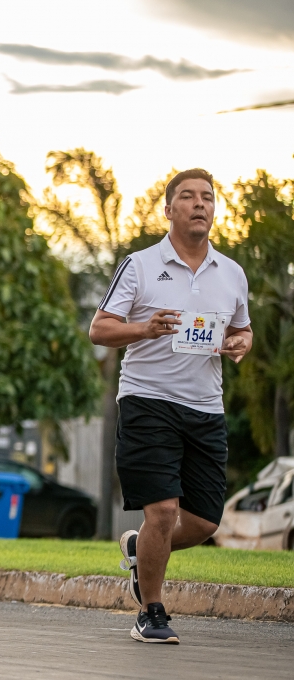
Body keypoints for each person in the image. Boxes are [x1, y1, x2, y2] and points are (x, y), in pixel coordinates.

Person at [90, 168, 251, 644]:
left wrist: (241, 342)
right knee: (162, 511)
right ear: (168, 209)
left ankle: (140, 549)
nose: (200, 203)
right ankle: (152, 612)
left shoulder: (232, 273)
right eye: (188, 196)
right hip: (148, 401)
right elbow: (100, 329)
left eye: (207, 197)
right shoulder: (140, 265)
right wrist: (144, 328)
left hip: (205, 408)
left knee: (202, 523)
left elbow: (242, 328)